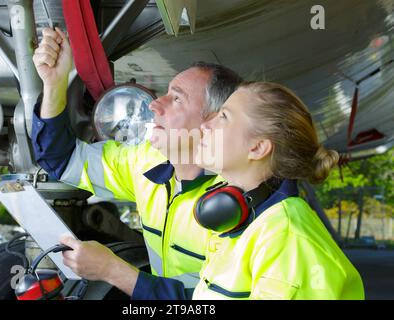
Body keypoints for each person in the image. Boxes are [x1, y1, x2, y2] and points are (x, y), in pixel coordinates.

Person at [60, 81, 365, 300]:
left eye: (224, 118)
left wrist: (115, 272)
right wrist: (114, 271)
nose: (206, 126)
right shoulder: (242, 222)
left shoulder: (288, 242)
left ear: (257, 147)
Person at [31, 27, 243, 293]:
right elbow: (61, 159)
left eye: (176, 99)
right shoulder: (147, 161)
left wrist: (112, 270)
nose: (155, 105)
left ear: (213, 122)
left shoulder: (240, 202)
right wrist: (55, 84)